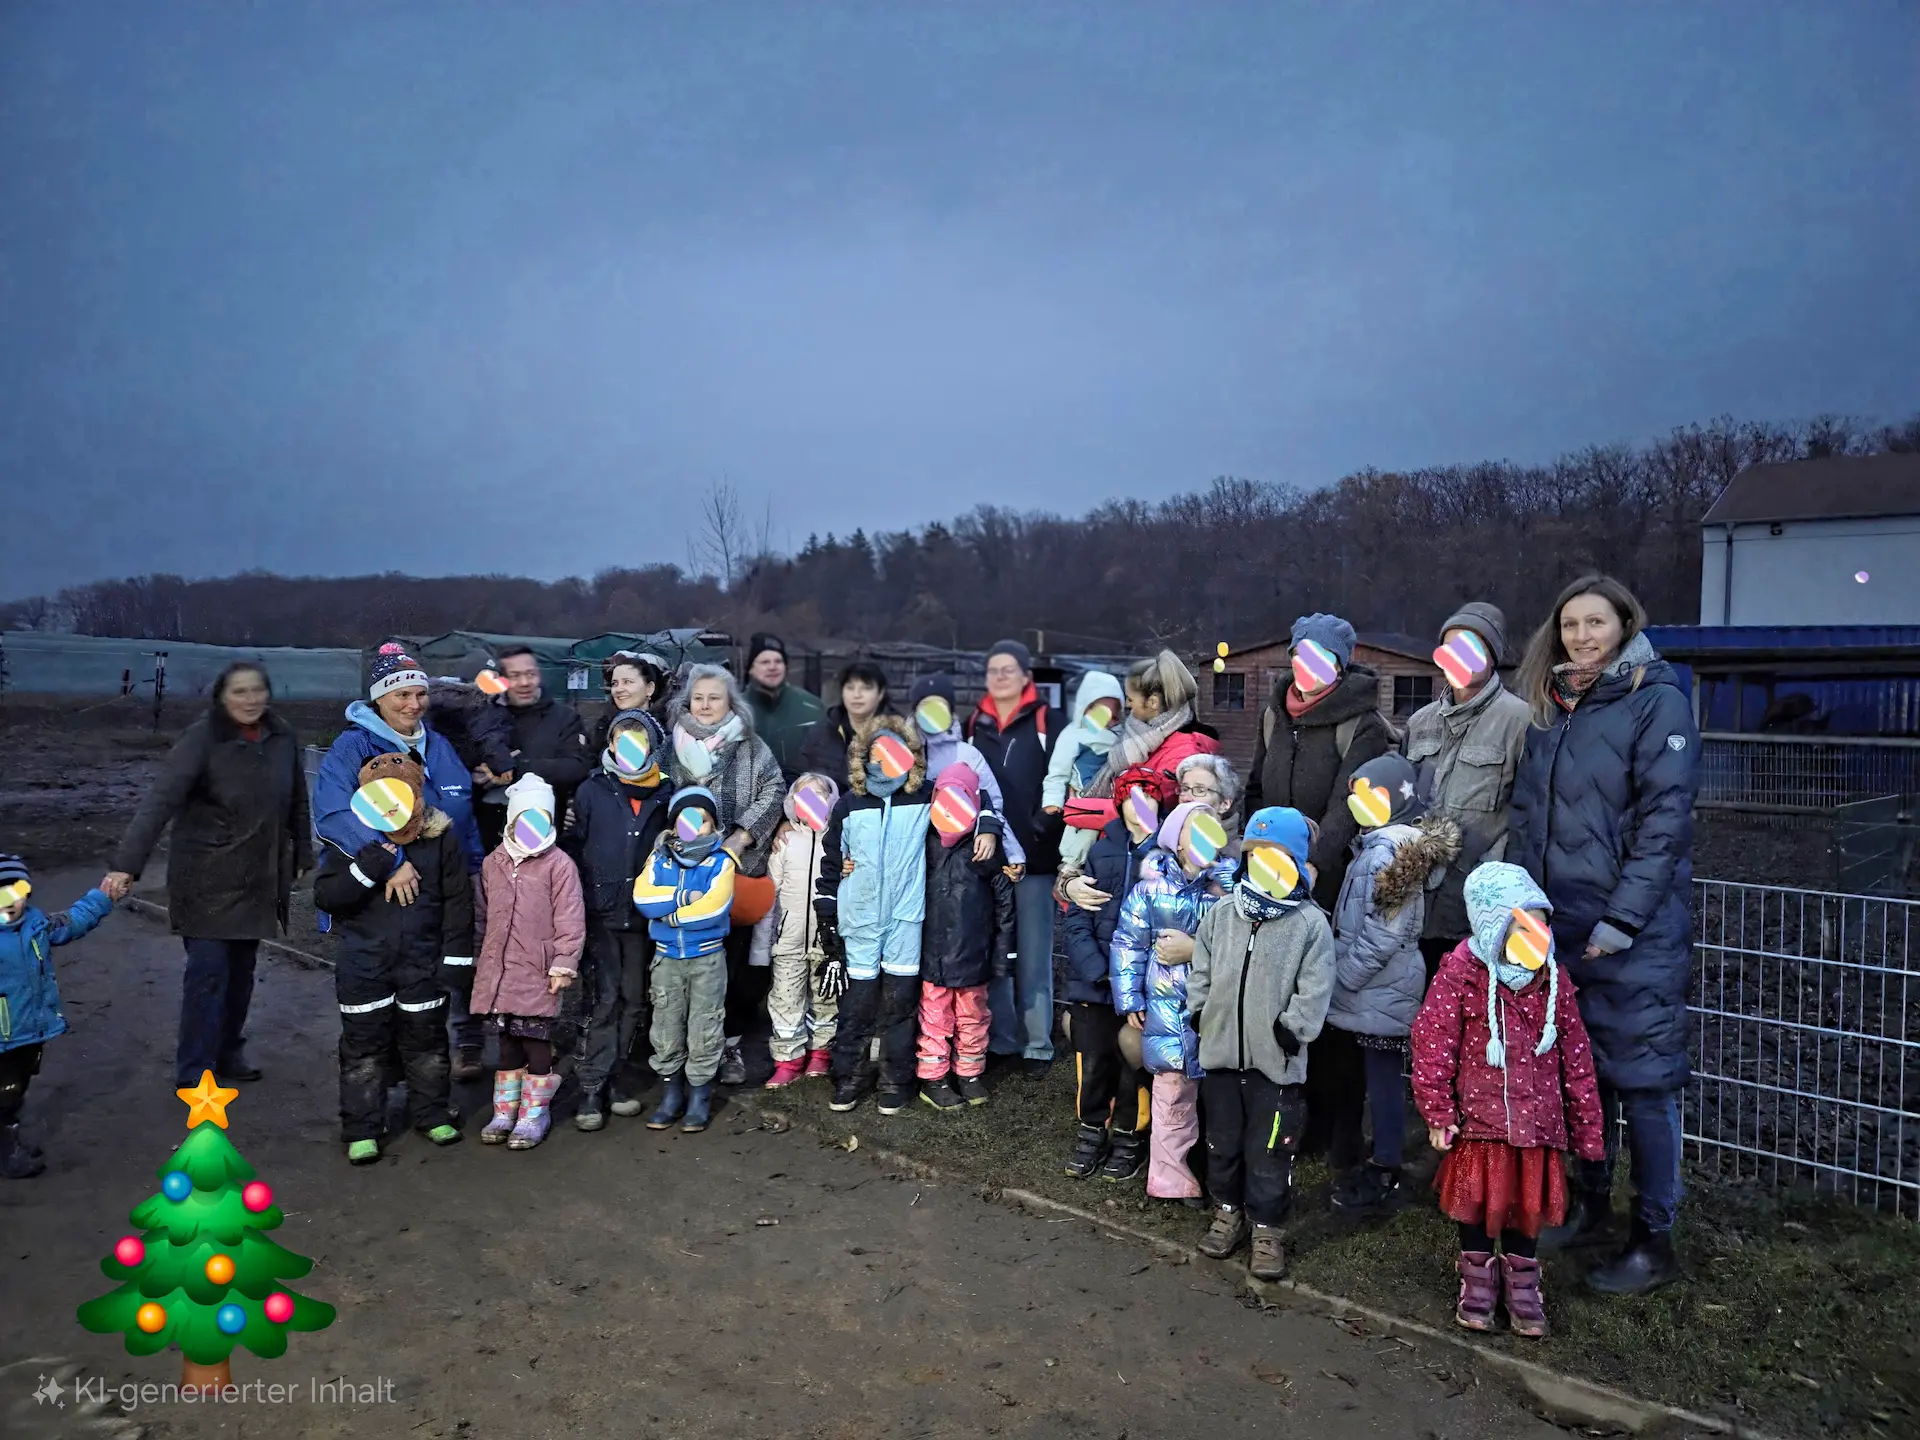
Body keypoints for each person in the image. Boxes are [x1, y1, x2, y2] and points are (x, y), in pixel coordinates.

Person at [1507, 575, 1699, 1296]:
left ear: (1625, 622)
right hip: (1558, 927)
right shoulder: (1555, 708)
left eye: (1596, 622)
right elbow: (1531, 820)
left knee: (1645, 1083)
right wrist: (1523, 909)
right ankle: (1590, 1203)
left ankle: (1653, 1237)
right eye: (1570, 625)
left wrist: (1623, 918)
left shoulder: (1656, 701)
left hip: (1631, 932)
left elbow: (1664, 822)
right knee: (1579, 1078)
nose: (1582, 636)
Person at [1411, 862, 1606, 1338]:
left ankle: (1521, 1283)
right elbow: (1433, 1042)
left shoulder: (1554, 983)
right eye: (1523, 927)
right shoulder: (1462, 974)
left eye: (1542, 926)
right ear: (1494, 927)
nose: (1535, 938)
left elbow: (1576, 1060)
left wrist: (1587, 1130)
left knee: (1527, 1207)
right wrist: (1438, 1111)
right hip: (1482, 1122)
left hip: (1538, 1126)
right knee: (1476, 1204)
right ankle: (1477, 1277)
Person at [106, 661, 310, 1088]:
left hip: (257, 876)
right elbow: (159, 802)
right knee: (208, 974)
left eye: (257, 690)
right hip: (207, 877)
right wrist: (127, 865)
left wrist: (302, 852)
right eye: (240, 692)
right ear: (221, 696)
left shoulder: (282, 737)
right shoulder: (202, 738)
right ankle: (195, 1071)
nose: (251, 700)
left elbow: (297, 800)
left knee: (241, 975)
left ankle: (227, 1052)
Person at [313, 643, 486, 1078]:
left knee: (424, 999)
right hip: (381, 896)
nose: (414, 704)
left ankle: (425, 1096)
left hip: (434, 895)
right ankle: (376, 1095)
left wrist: (476, 870)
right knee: (376, 1002)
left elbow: (461, 812)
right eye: (401, 695)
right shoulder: (354, 747)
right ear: (378, 699)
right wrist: (389, 862)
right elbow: (334, 813)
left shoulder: (438, 746)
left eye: (420, 694)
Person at [1188, 807, 1336, 1280]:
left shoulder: (1310, 924)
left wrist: (1291, 1030)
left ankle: (1267, 1228)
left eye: (1276, 855)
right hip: (1221, 1059)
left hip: (1276, 1066)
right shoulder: (1222, 914)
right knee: (1222, 1143)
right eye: (1256, 854)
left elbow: (1316, 987)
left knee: (1270, 1151)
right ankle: (1227, 1210)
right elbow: (1202, 970)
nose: (1264, 864)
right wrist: (1200, 1013)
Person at [310, 754, 473, 1165]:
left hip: (422, 962)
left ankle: (431, 1113)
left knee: (427, 1042)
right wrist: (368, 869)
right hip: (364, 965)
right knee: (364, 1048)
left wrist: (455, 956)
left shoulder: (440, 841)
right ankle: (363, 1128)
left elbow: (457, 901)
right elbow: (328, 898)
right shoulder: (351, 844)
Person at [1323, 755, 1461, 1214]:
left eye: (1369, 796)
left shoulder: (1386, 852)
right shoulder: (1381, 847)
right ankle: (1373, 1154)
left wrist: (1344, 979)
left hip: (1377, 986)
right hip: (1377, 986)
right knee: (1373, 1073)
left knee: (1382, 1077)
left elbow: (1382, 933)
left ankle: (1385, 1164)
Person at [1111, 797, 1235, 1206]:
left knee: (1219, 1099)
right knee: (1172, 1098)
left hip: (1217, 1010)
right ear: (1176, 842)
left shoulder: (1230, 888)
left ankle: (1218, 1176)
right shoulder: (1149, 890)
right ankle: (1169, 1176)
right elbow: (1129, 943)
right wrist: (1129, 998)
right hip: (1167, 1009)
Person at [667, 664, 785, 1085]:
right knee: (684, 967)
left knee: (732, 967)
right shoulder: (670, 747)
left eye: (714, 697)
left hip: (735, 872)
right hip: (682, 876)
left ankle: (728, 1047)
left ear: (731, 703)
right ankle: (682, 1049)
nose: (705, 705)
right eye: (698, 697)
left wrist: (741, 837)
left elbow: (774, 789)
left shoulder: (752, 747)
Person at [1059, 764, 1177, 1182]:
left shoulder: (1168, 857)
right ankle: (1091, 1129)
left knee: (1132, 1066)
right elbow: (1076, 920)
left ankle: (1130, 1135)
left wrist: (1135, 983)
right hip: (1094, 984)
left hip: (1143, 989)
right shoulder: (1101, 849)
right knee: (1092, 1062)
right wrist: (1098, 969)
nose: (1138, 807)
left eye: (1148, 798)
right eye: (1131, 798)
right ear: (1120, 802)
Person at [814, 715, 934, 1114]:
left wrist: (986, 825)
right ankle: (848, 1077)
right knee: (858, 1004)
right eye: (876, 751)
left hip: (905, 918)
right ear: (863, 757)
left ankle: (895, 1080)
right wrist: (828, 914)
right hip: (860, 918)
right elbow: (831, 862)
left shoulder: (925, 797)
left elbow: (975, 802)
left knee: (900, 1005)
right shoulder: (849, 804)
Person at [1404, 603, 1530, 981]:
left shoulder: (1520, 721)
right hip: (1414, 905)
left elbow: (1530, 817)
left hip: (1477, 909)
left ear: (1492, 657)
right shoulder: (1419, 723)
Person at [563, 710, 672, 1130]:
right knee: (603, 1000)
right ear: (610, 746)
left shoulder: (665, 792)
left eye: (637, 743)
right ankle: (591, 1085)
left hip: (644, 914)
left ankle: (616, 1077)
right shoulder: (592, 790)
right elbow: (576, 845)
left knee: (634, 998)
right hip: (602, 910)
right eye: (620, 742)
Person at [1243, 613, 1395, 910]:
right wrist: (1253, 845)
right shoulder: (1273, 715)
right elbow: (1256, 787)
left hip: (1326, 875)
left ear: (1338, 665)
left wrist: (1313, 863)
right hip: (1266, 862)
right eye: (1300, 654)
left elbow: (1347, 806)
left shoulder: (1362, 724)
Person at [964, 639, 1066, 1077]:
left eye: (1009, 669)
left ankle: (1037, 1044)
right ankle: (1002, 1039)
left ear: (1026, 676)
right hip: (987, 859)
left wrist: (1047, 834)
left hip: (1036, 859)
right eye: (993, 670)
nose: (1000, 677)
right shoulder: (975, 724)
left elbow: (1064, 785)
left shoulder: (1047, 722)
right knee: (996, 952)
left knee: (1034, 952)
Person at [472, 776, 585, 1151]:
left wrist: (563, 964)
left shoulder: (559, 865)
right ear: (512, 822)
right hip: (501, 972)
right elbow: (483, 916)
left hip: (538, 971)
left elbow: (570, 918)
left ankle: (534, 1113)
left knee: (536, 1042)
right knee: (506, 1044)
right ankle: (505, 1111)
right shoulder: (494, 863)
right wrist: (481, 960)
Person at [0, 856, 113, 1178]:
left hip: (28, 1033)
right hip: (2, 1039)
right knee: (5, 1098)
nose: (10, 900)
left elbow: (73, 921)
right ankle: (8, 1155)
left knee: (17, 1089)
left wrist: (103, 898)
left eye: (17, 891)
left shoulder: (36, 926)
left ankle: (8, 1142)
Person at [633, 787, 738, 1133]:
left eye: (702, 821)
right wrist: (683, 896)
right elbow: (644, 899)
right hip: (666, 960)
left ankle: (699, 1096)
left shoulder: (721, 862)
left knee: (704, 1027)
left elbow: (713, 909)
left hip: (706, 959)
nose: (694, 827)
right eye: (686, 820)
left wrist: (671, 916)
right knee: (665, 1027)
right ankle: (671, 1094)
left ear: (712, 825)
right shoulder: (659, 858)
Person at [916, 764, 1018, 1110]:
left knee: (973, 1015)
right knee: (934, 1016)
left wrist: (1004, 952)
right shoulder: (923, 840)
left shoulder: (985, 847)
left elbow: (1004, 900)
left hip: (974, 951)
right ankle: (934, 1077)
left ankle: (969, 1073)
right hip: (932, 952)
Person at [764, 772, 841, 1089]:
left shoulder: (839, 840)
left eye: (818, 795)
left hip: (827, 939)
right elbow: (771, 892)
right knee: (785, 1001)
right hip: (789, 940)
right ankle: (788, 1061)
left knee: (826, 999)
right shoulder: (785, 842)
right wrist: (765, 943)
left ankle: (820, 1055)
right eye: (803, 797)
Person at [475, 645, 590, 852]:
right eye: (515, 676)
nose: (525, 683)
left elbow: (577, 766)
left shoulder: (564, 718)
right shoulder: (483, 716)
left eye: (530, 674)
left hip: (545, 836)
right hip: (488, 835)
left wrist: (517, 769)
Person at [908, 674, 1024, 869]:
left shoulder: (967, 754)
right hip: (910, 857)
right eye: (926, 706)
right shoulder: (900, 752)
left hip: (957, 858)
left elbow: (991, 802)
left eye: (940, 706)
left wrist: (1012, 854)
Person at [1044, 669, 1125, 878]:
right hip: (1083, 792)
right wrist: (1053, 801)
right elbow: (1057, 772)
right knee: (1082, 828)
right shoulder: (1073, 735)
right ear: (1085, 708)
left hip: (1112, 794)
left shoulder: (1120, 735)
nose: (1107, 720)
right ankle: (1071, 864)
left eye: (1113, 714)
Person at [742, 633, 825, 785]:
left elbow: (826, 759)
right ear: (751, 669)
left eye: (778, 661)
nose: (772, 667)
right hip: (752, 797)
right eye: (765, 662)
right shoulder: (736, 708)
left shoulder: (812, 706)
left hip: (806, 793)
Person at [799, 659, 892, 782]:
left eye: (866, 688)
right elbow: (802, 782)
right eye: (850, 688)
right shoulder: (820, 733)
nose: (857, 695)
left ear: (880, 693)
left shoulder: (896, 735)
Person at [590, 651, 672, 753]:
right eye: (614, 683)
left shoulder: (668, 727)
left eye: (627, 682)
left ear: (649, 688)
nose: (619, 689)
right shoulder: (604, 725)